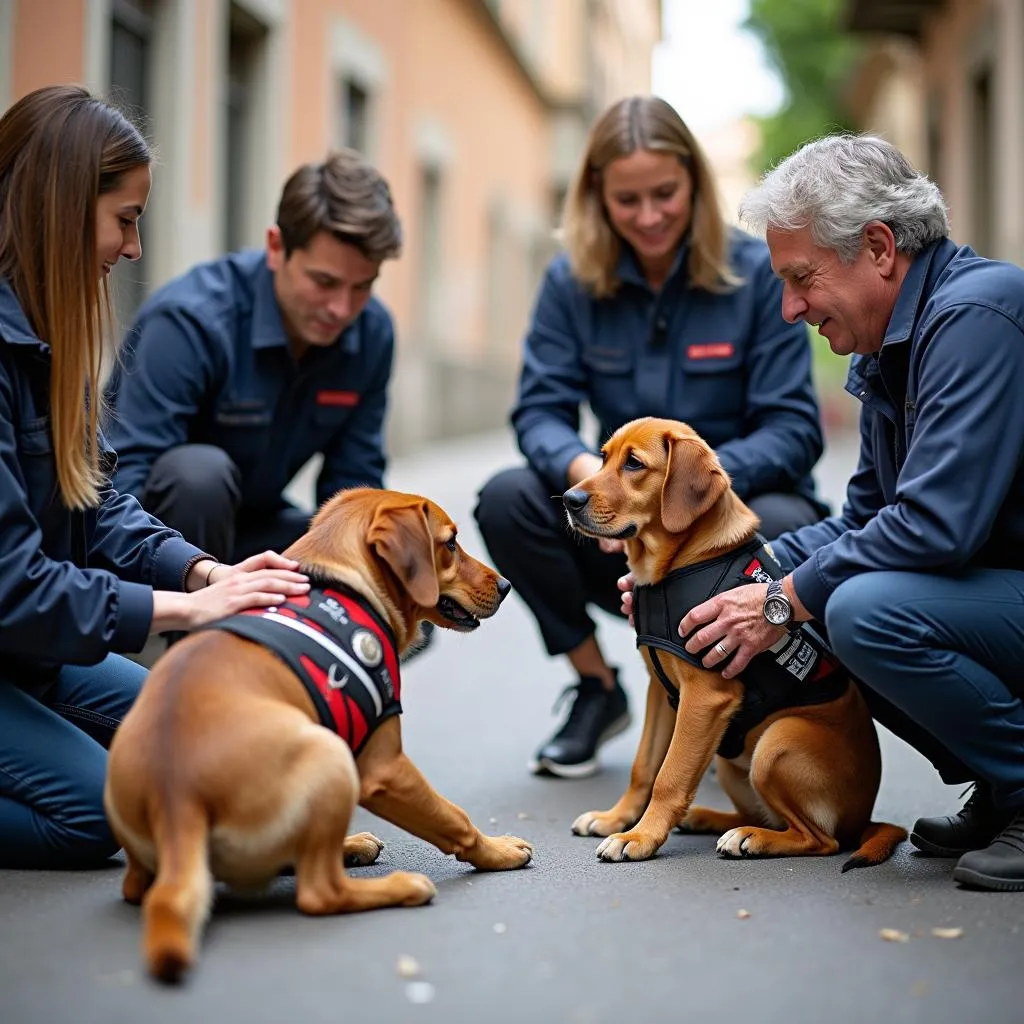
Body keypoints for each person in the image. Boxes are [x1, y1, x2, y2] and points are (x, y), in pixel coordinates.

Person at [623, 133, 1024, 893]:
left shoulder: (979, 316)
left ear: (878, 247)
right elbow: (863, 515)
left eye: (801, 277)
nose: (789, 307)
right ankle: (1004, 789)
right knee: (831, 593)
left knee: (859, 607)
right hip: (999, 593)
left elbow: (936, 526)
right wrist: (716, 585)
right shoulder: (886, 344)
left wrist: (781, 601)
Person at [0, 85, 310, 870]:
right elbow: (12, 584)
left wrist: (208, 570)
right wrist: (184, 610)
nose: (134, 248)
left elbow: (95, 499)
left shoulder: (46, 332)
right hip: (19, 631)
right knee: (96, 815)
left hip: (29, 655)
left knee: (196, 727)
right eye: (126, 218)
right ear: (59, 209)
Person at [474, 95, 828, 779]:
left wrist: (680, 499)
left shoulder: (757, 275)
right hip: (624, 541)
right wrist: (600, 482)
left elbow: (793, 428)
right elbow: (539, 411)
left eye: (664, 193)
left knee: (784, 522)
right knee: (509, 498)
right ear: (597, 196)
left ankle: (747, 701)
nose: (648, 216)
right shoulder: (571, 281)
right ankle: (596, 688)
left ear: (693, 181)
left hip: (732, 529)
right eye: (626, 199)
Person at [105, 148, 403, 566]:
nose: (341, 308)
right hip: (158, 540)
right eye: (325, 281)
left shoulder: (373, 333)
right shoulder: (190, 321)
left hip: (257, 532)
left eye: (362, 286)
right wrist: (195, 577)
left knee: (397, 595)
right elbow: (125, 479)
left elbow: (354, 490)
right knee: (198, 475)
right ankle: (184, 630)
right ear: (276, 246)